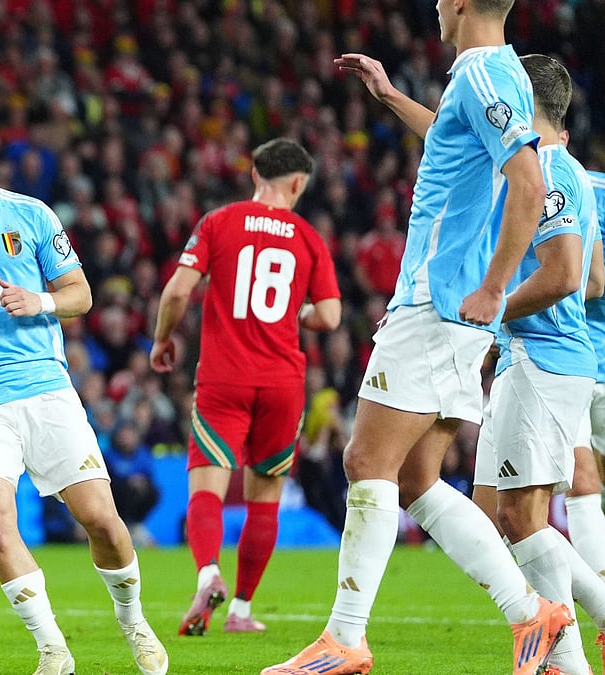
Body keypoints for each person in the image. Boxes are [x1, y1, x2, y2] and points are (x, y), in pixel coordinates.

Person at [264, 1, 574, 673]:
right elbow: (460, 147)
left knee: (363, 462)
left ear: (461, 3)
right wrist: (390, 95)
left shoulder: (483, 73)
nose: (434, 5)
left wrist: (494, 285)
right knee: (414, 478)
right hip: (454, 311)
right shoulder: (500, 75)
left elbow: (527, 183)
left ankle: (345, 637)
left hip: (438, 302)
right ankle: (533, 613)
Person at [0, 101, 168, 675]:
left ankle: (133, 620)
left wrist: (39, 300)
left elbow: (81, 294)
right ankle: (52, 649)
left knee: (101, 519)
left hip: (45, 387)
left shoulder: (33, 217)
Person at [149, 137, 341, 635]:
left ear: (256, 175)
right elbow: (331, 315)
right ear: (297, 183)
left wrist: (163, 339)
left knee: (207, 485)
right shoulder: (307, 237)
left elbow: (177, 291)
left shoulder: (219, 222)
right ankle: (241, 610)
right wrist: (295, 310)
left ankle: (208, 572)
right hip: (282, 382)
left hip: (224, 377)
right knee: (265, 497)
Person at [467, 53, 605, 675]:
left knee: (523, 517)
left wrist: (491, 310)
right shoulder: (562, 168)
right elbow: (595, 277)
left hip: (546, 358)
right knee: (492, 509)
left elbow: (568, 275)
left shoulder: (548, 170)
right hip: (534, 355)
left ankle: (567, 659)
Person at [565, 169, 605, 588]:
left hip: (569, 357)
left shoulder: (564, 178)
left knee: (583, 487)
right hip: (577, 360)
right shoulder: (581, 182)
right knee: (584, 484)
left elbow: (591, 282)